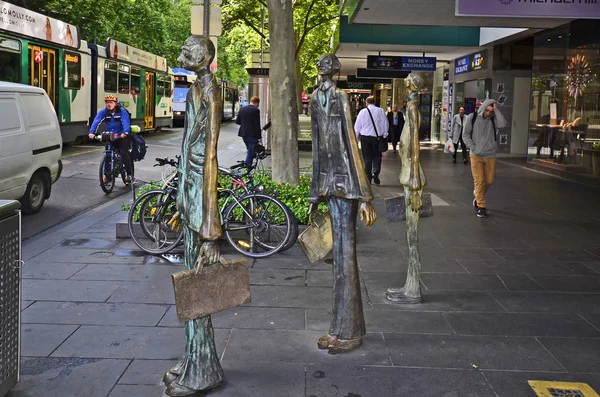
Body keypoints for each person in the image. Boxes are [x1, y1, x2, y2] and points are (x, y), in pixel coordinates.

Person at [161, 35, 224, 396]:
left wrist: (210, 228)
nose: (181, 53)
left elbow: (211, 157)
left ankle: (203, 369)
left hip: (203, 201)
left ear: (201, 57)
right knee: (190, 277)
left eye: (186, 50)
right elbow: (188, 149)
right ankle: (193, 357)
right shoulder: (193, 91)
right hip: (190, 196)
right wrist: (180, 201)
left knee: (197, 284)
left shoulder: (212, 93)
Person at [309, 53, 376, 354]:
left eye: (329, 65)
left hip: (347, 185)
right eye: (322, 65)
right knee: (338, 261)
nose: (325, 69)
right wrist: (314, 193)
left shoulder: (341, 98)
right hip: (328, 184)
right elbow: (315, 147)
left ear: (335, 71)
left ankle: (351, 332)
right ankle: (337, 328)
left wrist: (365, 196)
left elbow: (351, 140)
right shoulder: (314, 98)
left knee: (346, 258)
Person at [386, 73, 428, 304]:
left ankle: (413, 289)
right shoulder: (411, 106)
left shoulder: (412, 107)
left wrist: (413, 177)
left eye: (408, 79)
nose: (405, 81)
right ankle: (410, 284)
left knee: (412, 234)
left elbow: (414, 144)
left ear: (413, 84)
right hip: (409, 174)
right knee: (410, 233)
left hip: (412, 176)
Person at [463, 98, 507, 218]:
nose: (488, 113)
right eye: (487, 110)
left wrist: (496, 110)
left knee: (489, 181)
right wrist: (473, 148)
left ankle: (477, 194)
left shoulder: (493, 120)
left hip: (490, 155)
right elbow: (465, 135)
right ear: (483, 108)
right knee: (480, 180)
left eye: (490, 111)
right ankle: (481, 206)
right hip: (476, 155)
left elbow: (503, 124)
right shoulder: (472, 117)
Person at [88, 95, 133, 184]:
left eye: (111, 103)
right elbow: (96, 121)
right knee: (108, 154)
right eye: (107, 103)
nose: (109, 105)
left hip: (122, 136)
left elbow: (125, 122)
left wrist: (126, 132)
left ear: (115, 104)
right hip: (111, 136)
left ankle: (129, 174)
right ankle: (107, 176)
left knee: (124, 153)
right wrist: (91, 132)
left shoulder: (122, 111)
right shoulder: (103, 112)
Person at [354, 96, 389, 185]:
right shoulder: (381, 111)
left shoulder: (362, 112)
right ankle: (376, 174)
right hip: (377, 138)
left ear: (366, 102)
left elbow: (357, 127)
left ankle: (368, 177)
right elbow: (386, 123)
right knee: (377, 157)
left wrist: (355, 138)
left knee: (367, 158)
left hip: (365, 138)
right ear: (374, 102)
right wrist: (384, 135)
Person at [236, 96, 270, 165]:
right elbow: (257, 124)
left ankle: (248, 167)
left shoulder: (242, 109)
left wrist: (245, 124)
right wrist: (259, 137)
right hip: (252, 135)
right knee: (251, 152)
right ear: (256, 103)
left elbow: (237, 121)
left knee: (250, 150)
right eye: (258, 104)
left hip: (243, 134)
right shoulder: (256, 110)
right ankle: (247, 169)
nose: (258, 106)